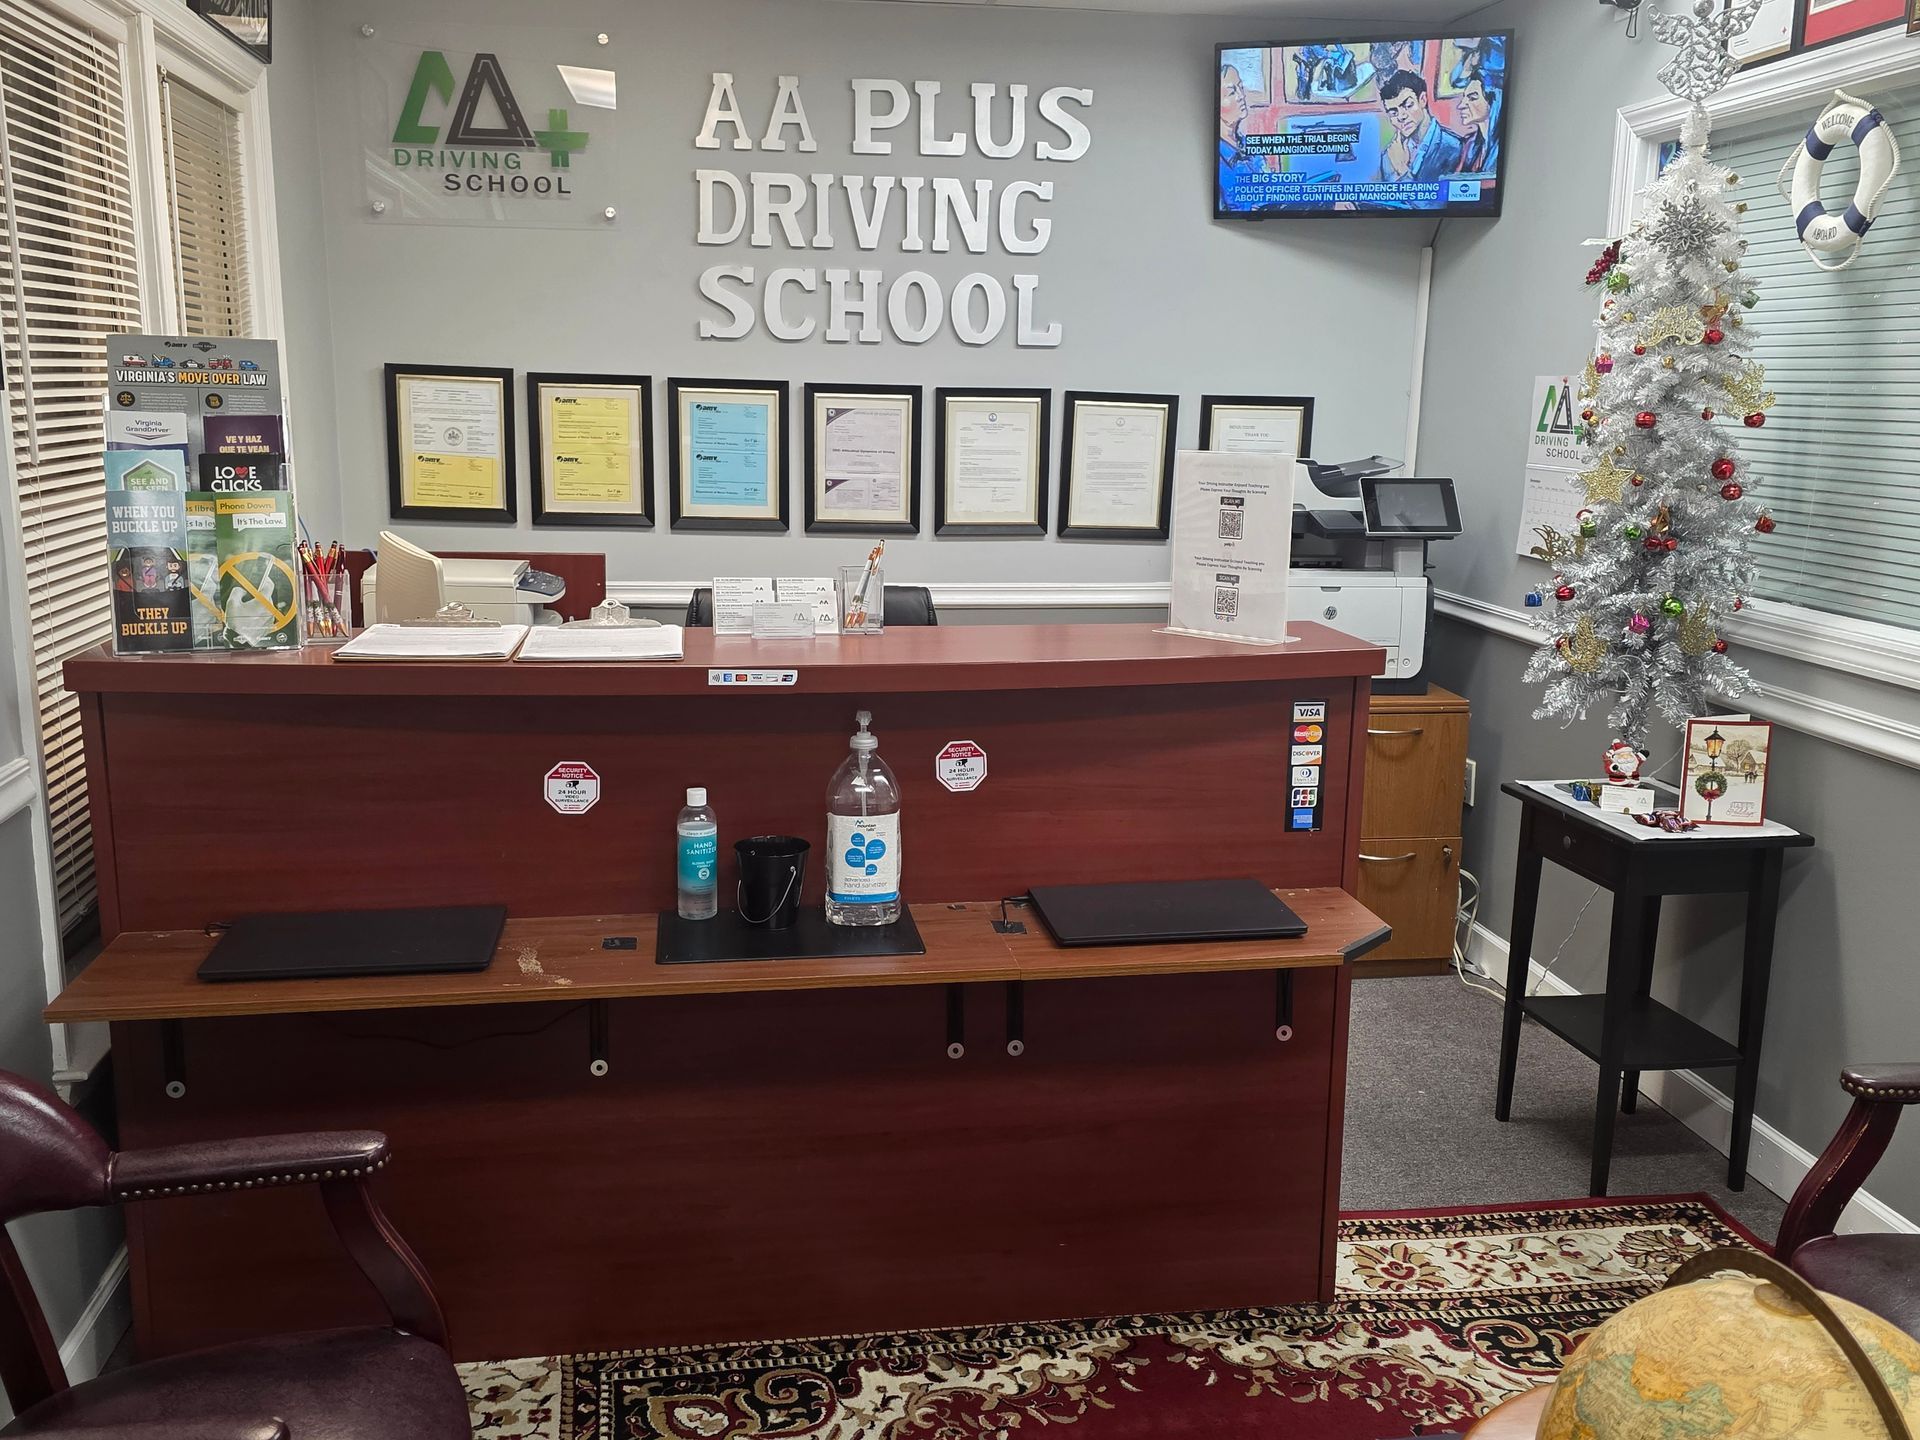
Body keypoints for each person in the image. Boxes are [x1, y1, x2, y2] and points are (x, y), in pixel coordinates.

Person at [1375, 70, 1464, 183]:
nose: (1401, 116)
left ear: (1422, 100)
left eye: (1408, 105)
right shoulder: (1389, 155)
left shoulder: (1453, 146)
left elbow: (1440, 194)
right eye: (1393, 113)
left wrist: (1402, 170)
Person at [1217, 63, 1266, 211]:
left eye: (1241, 87)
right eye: (1232, 92)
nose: (1241, 96)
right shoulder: (1218, 160)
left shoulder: (1251, 148)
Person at [1454, 74, 1499, 176]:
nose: (1461, 106)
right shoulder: (1470, 144)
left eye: (1472, 98)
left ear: (1493, 101)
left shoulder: (1499, 148)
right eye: (1464, 98)